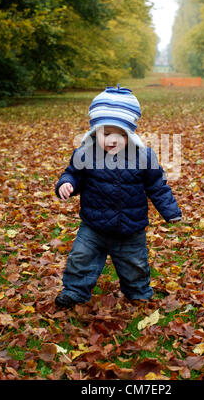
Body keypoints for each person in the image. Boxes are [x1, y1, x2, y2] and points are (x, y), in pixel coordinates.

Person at [54, 85, 182, 308]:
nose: (112, 140)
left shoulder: (143, 157)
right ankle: (74, 291)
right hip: (93, 225)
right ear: (95, 132)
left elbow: (157, 186)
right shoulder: (86, 154)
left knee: (135, 263)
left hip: (129, 227)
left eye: (120, 134)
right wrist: (67, 184)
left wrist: (170, 211)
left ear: (130, 134)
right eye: (106, 133)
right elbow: (73, 174)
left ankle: (138, 291)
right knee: (81, 258)